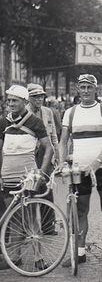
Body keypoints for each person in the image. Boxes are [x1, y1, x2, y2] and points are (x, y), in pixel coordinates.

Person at [59, 74, 102, 266]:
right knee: (81, 210)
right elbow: (63, 140)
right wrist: (61, 161)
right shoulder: (71, 112)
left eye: (89, 87)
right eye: (82, 87)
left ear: (95, 89)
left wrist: (97, 162)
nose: (85, 91)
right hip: (80, 170)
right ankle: (80, 252)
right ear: (77, 89)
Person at [0, 85, 53, 270]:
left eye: (15, 100)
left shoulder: (35, 122)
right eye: (9, 100)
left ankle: (39, 258)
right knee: (12, 217)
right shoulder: (3, 122)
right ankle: (15, 257)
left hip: (28, 176)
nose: (11, 104)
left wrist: (41, 172)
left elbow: (49, 148)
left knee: (31, 218)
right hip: (7, 175)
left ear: (24, 102)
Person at [27, 83, 60, 234]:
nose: (39, 99)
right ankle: (29, 228)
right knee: (30, 190)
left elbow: (53, 135)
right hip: (30, 154)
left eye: (41, 96)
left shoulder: (47, 112)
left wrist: (57, 156)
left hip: (46, 154)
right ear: (28, 98)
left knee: (47, 190)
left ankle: (48, 226)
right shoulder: (24, 112)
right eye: (35, 97)